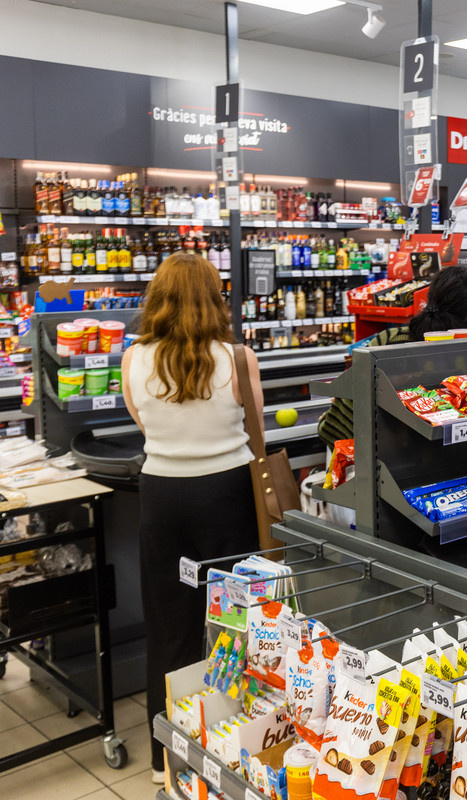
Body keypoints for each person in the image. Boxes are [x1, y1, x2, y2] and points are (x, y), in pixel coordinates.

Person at [121, 252, 263, 782]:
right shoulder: (238, 357)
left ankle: (166, 759)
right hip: (227, 496)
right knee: (234, 622)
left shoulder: (134, 358)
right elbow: (257, 438)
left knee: (169, 622)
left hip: (161, 498)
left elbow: (143, 425)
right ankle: (237, 743)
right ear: (213, 298)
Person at [317, 266, 467, 448]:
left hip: (383, 459)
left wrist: (325, 424)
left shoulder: (390, 341)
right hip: (459, 460)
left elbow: (342, 418)